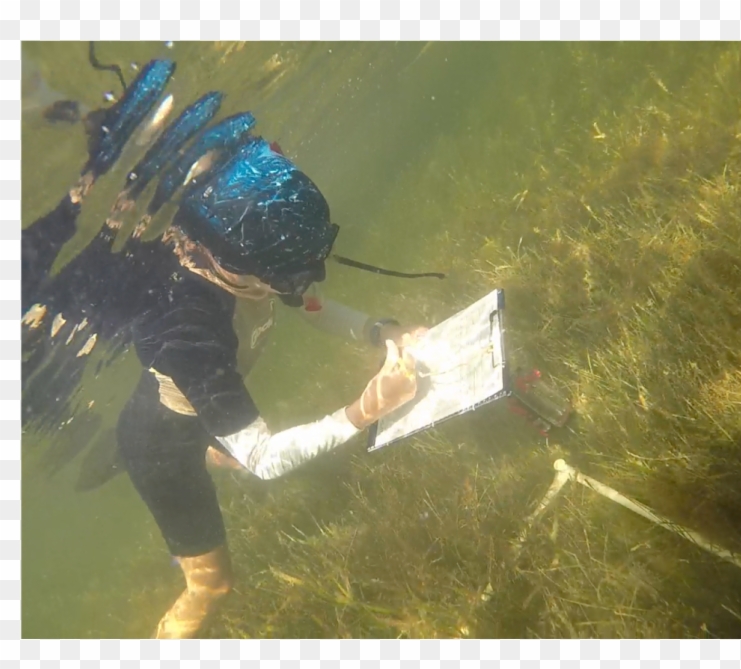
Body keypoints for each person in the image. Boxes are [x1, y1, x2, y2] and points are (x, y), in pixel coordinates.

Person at [22, 49, 441, 639]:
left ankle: (194, 453)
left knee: (214, 447)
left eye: (311, 264)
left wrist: (381, 331)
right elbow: (266, 460)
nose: (306, 284)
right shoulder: (188, 330)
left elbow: (313, 306)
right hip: (160, 449)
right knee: (213, 586)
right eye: (293, 275)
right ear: (229, 262)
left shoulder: (247, 259)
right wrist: (366, 410)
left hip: (188, 418)